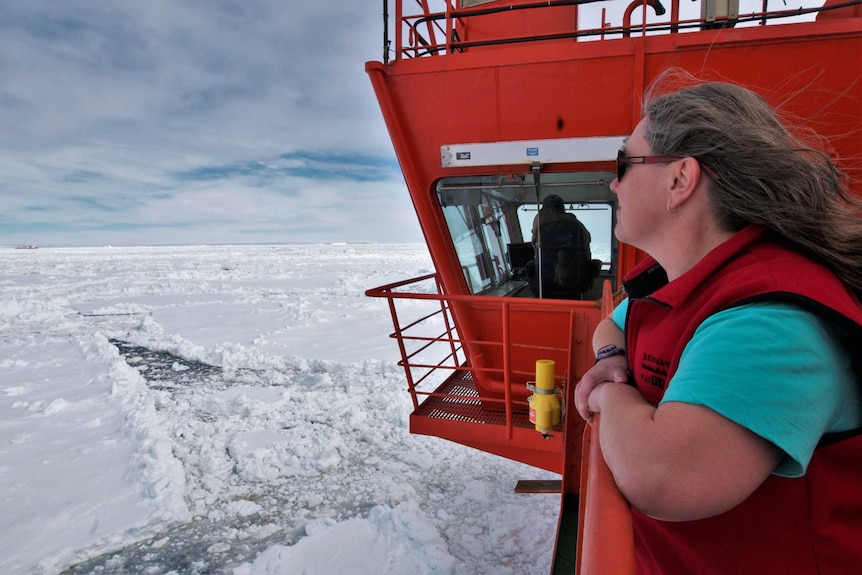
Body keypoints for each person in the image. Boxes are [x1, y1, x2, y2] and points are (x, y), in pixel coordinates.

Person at [574, 70, 862, 575]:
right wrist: (609, 358)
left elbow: (660, 475)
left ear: (680, 179)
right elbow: (616, 324)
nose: (614, 181)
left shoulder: (772, 320)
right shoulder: (677, 279)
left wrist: (606, 395)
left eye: (625, 162)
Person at [527, 194, 594, 297]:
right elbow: (587, 243)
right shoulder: (578, 226)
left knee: (530, 267)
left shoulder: (541, 226)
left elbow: (535, 244)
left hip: (545, 285)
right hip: (577, 282)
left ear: (551, 211)